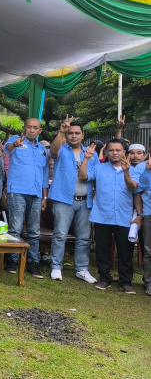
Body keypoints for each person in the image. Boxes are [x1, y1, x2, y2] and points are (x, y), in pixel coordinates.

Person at [79, 140, 139, 294]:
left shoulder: (133, 170)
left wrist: (126, 171)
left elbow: (132, 187)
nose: (115, 153)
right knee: (102, 250)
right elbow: (83, 176)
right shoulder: (98, 168)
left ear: (123, 152)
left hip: (124, 216)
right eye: (111, 150)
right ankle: (105, 279)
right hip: (102, 215)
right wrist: (86, 158)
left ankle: (125, 282)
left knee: (125, 251)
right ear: (106, 153)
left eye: (118, 150)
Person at [47, 116, 97, 283]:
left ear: (83, 135)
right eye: (70, 133)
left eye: (77, 133)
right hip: (63, 199)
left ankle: (82, 269)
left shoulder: (91, 154)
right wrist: (61, 131)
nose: (73, 136)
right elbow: (52, 152)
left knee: (84, 237)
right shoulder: (61, 149)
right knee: (60, 235)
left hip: (85, 200)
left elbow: (95, 176)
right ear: (66, 136)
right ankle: (56, 266)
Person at [3, 119, 49, 278]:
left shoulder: (43, 150)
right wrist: (15, 145)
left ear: (40, 131)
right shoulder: (16, 141)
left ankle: (32, 262)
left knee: (34, 231)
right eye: (29, 127)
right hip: (17, 191)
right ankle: (12, 261)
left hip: (36, 194)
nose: (31, 130)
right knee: (15, 228)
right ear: (24, 128)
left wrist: (44, 196)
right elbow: (6, 149)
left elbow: (44, 175)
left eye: (35, 128)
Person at [135, 155, 151, 296]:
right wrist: (148, 171)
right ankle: (149, 282)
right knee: (149, 250)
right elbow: (140, 188)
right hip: (149, 213)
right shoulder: (143, 167)